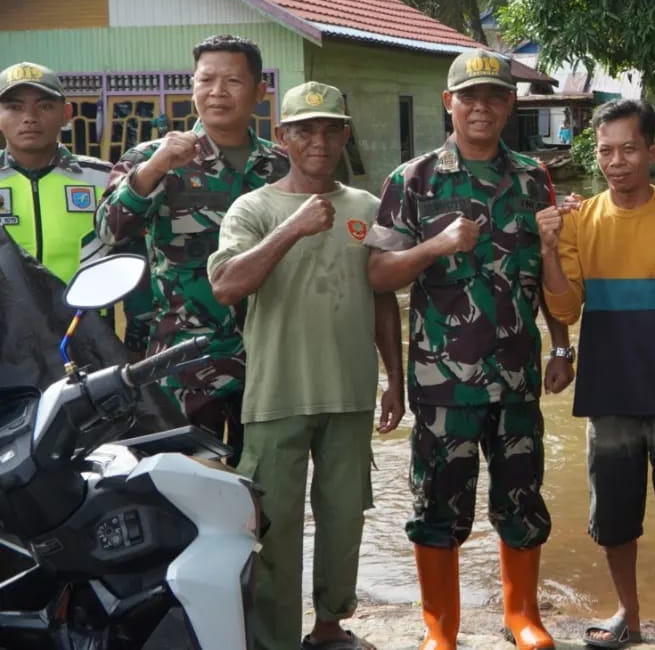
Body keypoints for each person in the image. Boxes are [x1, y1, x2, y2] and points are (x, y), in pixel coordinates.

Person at [366, 47, 568, 650]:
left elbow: (549, 269)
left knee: (522, 496)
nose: (482, 106)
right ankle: (440, 628)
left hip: (517, 376)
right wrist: (435, 247)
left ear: (510, 104)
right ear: (448, 103)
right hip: (441, 382)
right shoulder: (412, 180)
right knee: (436, 503)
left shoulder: (534, 176)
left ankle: (521, 617)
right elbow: (379, 275)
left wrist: (562, 347)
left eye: (495, 95)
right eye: (470, 96)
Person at [208, 81, 404, 650]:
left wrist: (394, 379)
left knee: (344, 521)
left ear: (345, 134)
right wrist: (293, 228)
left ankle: (329, 627)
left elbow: (384, 295)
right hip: (275, 395)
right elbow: (225, 285)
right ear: (283, 138)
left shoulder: (368, 208)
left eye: (330, 129)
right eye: (305, 130)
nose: (319, 141)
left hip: (349, 392)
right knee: (274, 528)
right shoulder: (254, 207)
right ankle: (274, 639)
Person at [538, 99, 655, 650]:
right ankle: (629, 612)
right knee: (615, 515)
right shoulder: (580, 221)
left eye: (627, 148)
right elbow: (566, 308)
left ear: (652, 151)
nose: (615, 161)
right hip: (609, 391)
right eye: (604, 151)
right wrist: (550, 248)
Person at [95, 35, 288, 462]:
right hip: (183, 361)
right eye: (207, 80)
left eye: (233, 81)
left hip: (269, 359)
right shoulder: (152, 158)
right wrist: (155, 169)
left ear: (259, 91)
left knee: (266, 483)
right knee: (182, 483)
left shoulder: (280, 166)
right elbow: (110, 232)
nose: (218, 92)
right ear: (192, 86)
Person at [0, 61, 111, 282]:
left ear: (66, 113)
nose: (29, 117)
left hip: (82, 314)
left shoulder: (104, 179)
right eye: (14, 107)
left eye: (45, 106)